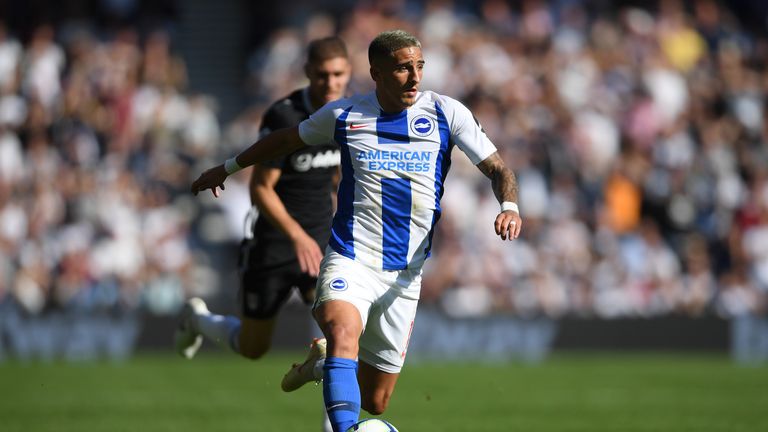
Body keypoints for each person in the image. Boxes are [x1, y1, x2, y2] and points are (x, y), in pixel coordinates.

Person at [190, 30, 523, 432]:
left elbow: (499, 169)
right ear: (376, 73)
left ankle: (322, 365)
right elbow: (284, 141)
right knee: (341, 330)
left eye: (419, 66)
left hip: (405, 274)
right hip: (352, 257)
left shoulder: (446, 113)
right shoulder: (347, 116)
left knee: (376, 402)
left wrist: (509, 206)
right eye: (402, 68)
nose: (415, 77)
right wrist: (227, 168)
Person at [175, 36, 351, 362]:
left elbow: (338, 176)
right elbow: (260, 189)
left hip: (322, 242)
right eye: (323, 74)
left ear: (349, 72)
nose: (331, 82)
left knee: (340, 333)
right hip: (274, 244)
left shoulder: (348, 116)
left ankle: (341, 413)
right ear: (308, 71)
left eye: (338, 75)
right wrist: (297, 236)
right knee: (253, 347)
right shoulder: (285, 117)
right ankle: (197, 320)